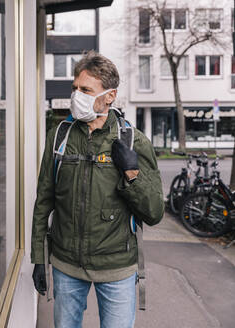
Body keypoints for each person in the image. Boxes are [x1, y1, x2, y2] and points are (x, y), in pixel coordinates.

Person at [31, 51, 164, 328]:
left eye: (86, 90)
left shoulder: (133, 141)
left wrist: (132, 174)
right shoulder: (60, 135)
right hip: (66, 265)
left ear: (110, 96)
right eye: (75, 88)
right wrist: (39, 259)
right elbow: (44, 200)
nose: (76, 95)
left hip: (117, 269)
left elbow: (154, 212)